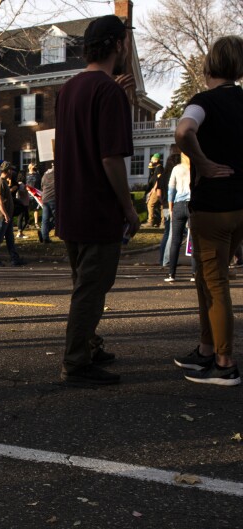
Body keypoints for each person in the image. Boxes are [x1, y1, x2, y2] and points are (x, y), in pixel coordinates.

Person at [54, 14, 140, 386]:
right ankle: (76, 362)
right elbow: (110, 157)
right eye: (125, 42)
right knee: (92, 288)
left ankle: (89, 344)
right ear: (118, 44)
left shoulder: (69, 88)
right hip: (97, 207)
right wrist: (128, 207)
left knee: (84, 283)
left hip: (71, 204)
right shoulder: (108, 93)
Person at [172, 35, 243, 386]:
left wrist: (203, 162)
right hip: (239, 206)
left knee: (215, 285)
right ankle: (205, 349)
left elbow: (184, 130)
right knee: (205, 280)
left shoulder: (203, 102)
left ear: (209, 64)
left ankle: (224, 362)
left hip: (212, 207)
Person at [164, 153, 194, 283]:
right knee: (193, 241)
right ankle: (194, 273)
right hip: (193, 204)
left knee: (175, 241)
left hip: (178, 204)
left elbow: (171, 189)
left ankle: (172, 273)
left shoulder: (176, 168)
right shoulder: (195, 167)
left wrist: (170, 208)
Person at [0, 162, 25, 266]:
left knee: (10, 239)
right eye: (11, 169)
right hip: (2, 217)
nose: (12, 172)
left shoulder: (4, 182)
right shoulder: (0, 183)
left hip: (7, 216)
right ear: (7, 170)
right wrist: (5, 214)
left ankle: (15, 259)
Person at [145, 153, 165, 228]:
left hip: (157, 189)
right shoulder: (156, 167)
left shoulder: (159, 168)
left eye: (152, 159)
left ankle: (151, 221)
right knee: (160, 205)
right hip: (156, 189)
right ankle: (161, 221)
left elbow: (158, 179)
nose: (151, 160)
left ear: (156, 159)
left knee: (150, 204)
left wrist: (154, 189)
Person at [39, 163, 56, 243]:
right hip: (53, 198)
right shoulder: (58, 174)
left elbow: (42, 185)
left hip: (45, 198)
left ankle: (44, 236)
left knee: (45, 219)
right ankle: (44, 234)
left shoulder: (45, 175)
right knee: (57, 218)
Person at [26, 163, 42, 232]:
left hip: (36, 193)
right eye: (31, 164)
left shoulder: (37, 175)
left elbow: (40, 184)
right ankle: (27, 222)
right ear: (29, 167)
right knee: (27, 208)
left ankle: (36, 223)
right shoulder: (26, 175)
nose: (33, 165)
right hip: (28, 194)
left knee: (36, 208)